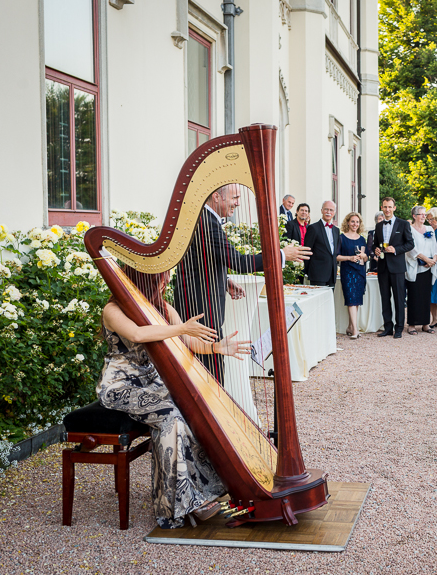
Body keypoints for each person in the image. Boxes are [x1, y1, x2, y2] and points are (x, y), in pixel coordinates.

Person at [99, 265, 252, 529]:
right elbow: (138, 334)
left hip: (154, 382)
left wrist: (217, 347)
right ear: (144, 280)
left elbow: (188, 343)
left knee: (191, 408)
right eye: (162, 279)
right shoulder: (112, 310)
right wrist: (180, 329)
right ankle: (175, 506)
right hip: (121, 386)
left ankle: (201, 491)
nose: (166, 284)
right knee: (171, 416)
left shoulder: (164, 308)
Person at [173, 184, 310, 384]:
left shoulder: (206, 219)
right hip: (200, 309)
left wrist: (225, 280)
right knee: (208, 371)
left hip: (202, 304)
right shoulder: (207, 222)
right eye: (234, 197)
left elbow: (205, 260)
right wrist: (280, 254)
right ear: (216, 197)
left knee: (211, 367)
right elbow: (240, 262)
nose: (238, 203)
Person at [372, 197, 415, 339]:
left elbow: (410, 244)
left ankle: (399, 328)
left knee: (399, 298)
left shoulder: (403, 224)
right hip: (382, 267)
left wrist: (395, 249)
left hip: (397, 267)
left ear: (394, 208)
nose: (387, 209)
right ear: (382, 207)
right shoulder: (378, 226)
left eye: (390, 207)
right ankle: (387, 327)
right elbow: (375, 245)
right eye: (385, 207)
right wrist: (376, 250)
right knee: (385, 298)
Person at [405, 206, 437, 335]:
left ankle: (426, 323)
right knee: (414, 296)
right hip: (415, 267)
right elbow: (410, 248)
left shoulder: (430, 229)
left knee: (426, 296)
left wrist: (433, 259)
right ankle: (412, 324)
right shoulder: (409, 229)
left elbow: (435, 246)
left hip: (428, 267)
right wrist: (424, 258)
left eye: (425, 214)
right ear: (414, 216)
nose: (424, 216)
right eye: (421, 214)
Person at [338, 212, 369, 339]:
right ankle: (355, 330)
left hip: (360, 271)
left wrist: (364, 256)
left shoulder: (362, 239)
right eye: (352, 221)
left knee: (356, 300)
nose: (355, 224)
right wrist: (349, 258)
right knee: (351, 299)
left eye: (357, 222)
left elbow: (366, 258)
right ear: (348, 223)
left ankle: (351, 327)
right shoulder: (341, 237)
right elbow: (337, 256)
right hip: (348, 271)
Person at [303, 201, 340, 288]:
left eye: (331, 210)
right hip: (317, 273)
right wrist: (309, 271)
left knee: (330, 300)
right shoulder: (313, 228)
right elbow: (307, 251)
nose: (328, 212)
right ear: (321, 210)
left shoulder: (336, 230)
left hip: (332, 274)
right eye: (326, 209)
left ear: (334, 213)